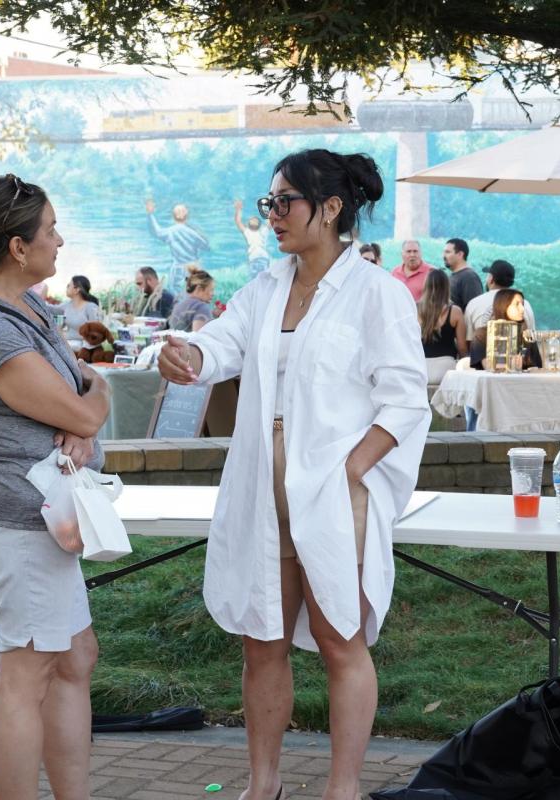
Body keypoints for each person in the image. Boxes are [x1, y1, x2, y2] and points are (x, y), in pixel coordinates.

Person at [158, 148, 429, 800]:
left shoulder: (377, 294)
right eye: (268, 203)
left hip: (336, 485)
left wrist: (353, 471)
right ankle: (263, 786)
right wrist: (187, 354)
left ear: (330, 208)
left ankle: (344, 788)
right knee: (262, 639)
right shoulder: (266, 287)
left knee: (341, 640)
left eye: (286, 202)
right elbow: (222, 344)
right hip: (263, 479)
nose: (273, 215)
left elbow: (406, 400)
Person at [0, 173, 110, 800]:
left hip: (45, 518)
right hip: (21, 520)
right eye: (50, 230)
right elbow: (89, 405)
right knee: (27, 671)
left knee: (73, 658)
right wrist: (86, 415)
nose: (60, 240)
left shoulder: (27, 308)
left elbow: (88, 393)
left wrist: (86, 412)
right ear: (18, 247)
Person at [146, 198, 210, 294]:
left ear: (173, 216)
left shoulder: (170, 231)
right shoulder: (192, 233)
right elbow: (206, 246)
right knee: (195, 293)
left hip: (178, 268)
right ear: (187, 216)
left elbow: (157, 232)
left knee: (175, 294)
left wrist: (150, 214)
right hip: (194, 267)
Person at [463, 259, 537, 340]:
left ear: (491, 279)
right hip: (518, 352)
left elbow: (468, 342)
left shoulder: (474, 303)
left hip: (482, 351)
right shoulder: (525, 304)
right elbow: (531, 339)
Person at [417, 269, 467, 385]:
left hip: (421, 367)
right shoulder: (455, 311)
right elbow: (462, 347)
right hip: (447, 369)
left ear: (426, 285)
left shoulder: (415, 309)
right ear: (447, 286)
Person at [443, 238, 483, 311]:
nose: (443, 256)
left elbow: (474, 309)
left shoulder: (469, 277)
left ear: (460, 254)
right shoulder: (452, 276)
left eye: (448, 252)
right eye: (444, 252)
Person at [235, 199, 272, 277]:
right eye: (252, 220)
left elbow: (238, 222)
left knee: (256, 280)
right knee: (263, 279)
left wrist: (238, 209)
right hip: (262, 258)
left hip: (255, 259)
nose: (253, 220)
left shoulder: (258, 231)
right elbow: (270, 221)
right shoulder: (250, 232)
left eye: (254, 220)